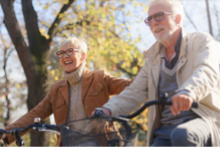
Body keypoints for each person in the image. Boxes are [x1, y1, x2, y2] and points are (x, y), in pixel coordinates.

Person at [96, 0, 220, 147]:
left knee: (182, 135)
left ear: (178, 19)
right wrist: (107, 110)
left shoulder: (201, 41)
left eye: (159, 16)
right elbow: (134, 91)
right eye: (149, 19)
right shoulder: (152, 59)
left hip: (202, 121)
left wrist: (188, 92)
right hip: (164, 130)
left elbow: (206, 70)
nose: (154, 22)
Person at [2, 37, 133, 147]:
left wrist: (149, 69)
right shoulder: (56, 89)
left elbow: (130, 86)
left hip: (102, 143)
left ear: (82, 56)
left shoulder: (100, 77)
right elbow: (35, 114)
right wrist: (5, 134)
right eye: (61, 53)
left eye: (70, 51)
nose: (65, 56)